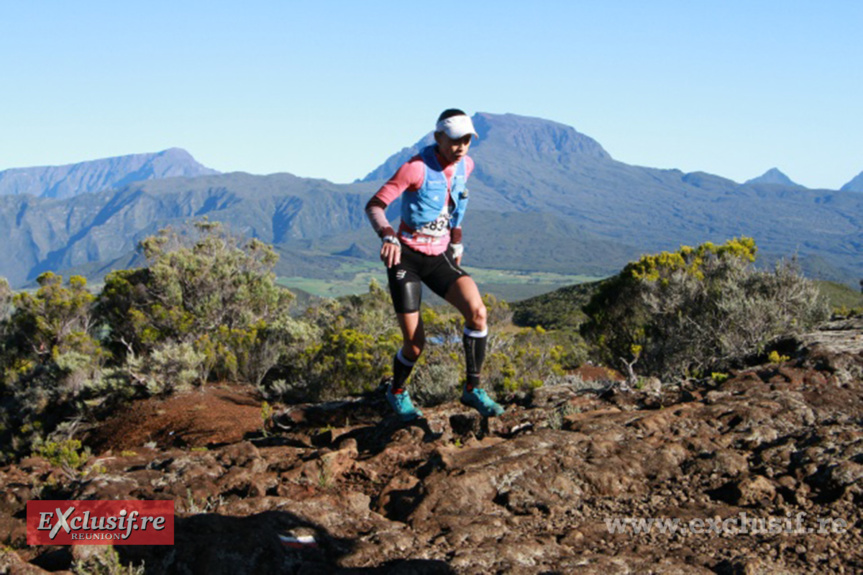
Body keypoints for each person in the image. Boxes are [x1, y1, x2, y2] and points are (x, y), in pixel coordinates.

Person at [365, 109, 505, 421]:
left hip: (439, 256)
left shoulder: (466, 165)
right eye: (455, 140)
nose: (462, 146)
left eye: (467, 139)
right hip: (407, 258)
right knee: (414, 346)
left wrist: (456, 240)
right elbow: (375, 205)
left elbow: (458, 205)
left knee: (478, 313)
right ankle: (397, 391)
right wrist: (387, 235)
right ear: (438, 137)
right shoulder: (414, 168)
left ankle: (473, 389)